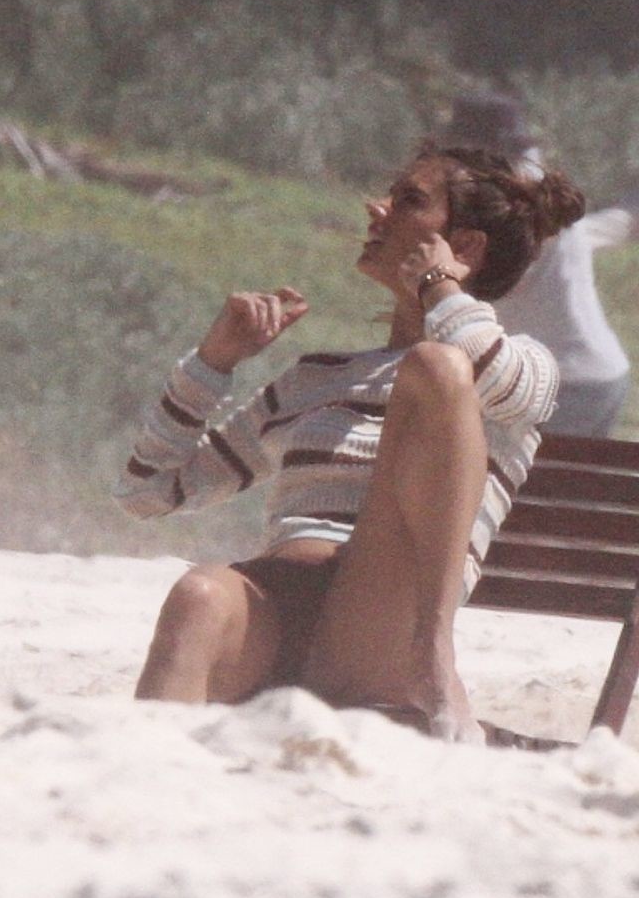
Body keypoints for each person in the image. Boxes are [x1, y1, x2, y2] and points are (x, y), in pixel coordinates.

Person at [117, 143, 584, 740]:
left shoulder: (517, 370)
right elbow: (148, 492)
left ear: (464, 247)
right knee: (198, 595)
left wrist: (440, 286)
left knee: (435, 367)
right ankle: (147, 780)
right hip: (277, 604)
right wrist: (213, 362)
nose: (376, 207)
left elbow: (485, 371)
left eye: (408, 200)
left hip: (381, 625)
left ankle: (434, 654)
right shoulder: (318, 377)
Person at [447, 94, 637, 439]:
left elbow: (486, 283)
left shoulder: (509, 203)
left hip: (564, 382)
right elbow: (601, 230)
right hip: (594, 375)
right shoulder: (534, 189)